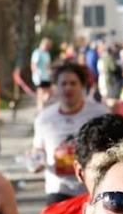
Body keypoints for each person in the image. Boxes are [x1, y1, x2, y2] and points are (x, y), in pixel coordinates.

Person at [31, 62, 107, 205]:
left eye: (73, 83)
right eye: (63, 83)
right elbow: (38, 150)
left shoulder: (100, 113)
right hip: (58, 189)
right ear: (55, 88)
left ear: (82, 86)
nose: (68, 88)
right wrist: (35, 161)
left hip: (92, 189)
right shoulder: (44, 118)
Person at [31, 38, 54, 110]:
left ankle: (41, 104)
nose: (47, 47)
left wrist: (50, 72)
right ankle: (40, 108)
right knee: (40, 92)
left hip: (46, 76)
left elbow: (48, 65)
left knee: (49, 92)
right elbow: (33, 64)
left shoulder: (46, 53)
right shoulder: (37, 52)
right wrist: (36, 74)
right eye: (47, 45)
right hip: (39, 76)